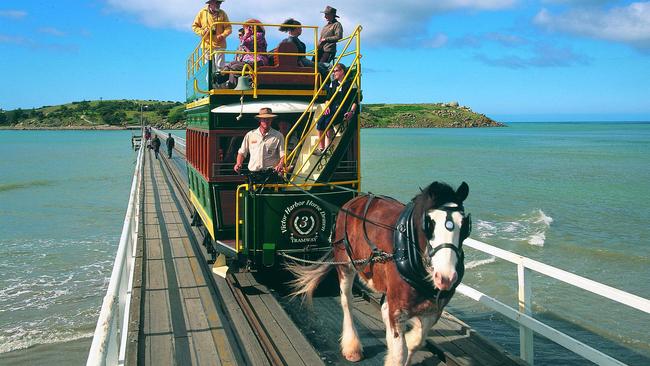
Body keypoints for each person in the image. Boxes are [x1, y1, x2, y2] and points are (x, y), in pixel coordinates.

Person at [315, 63, 358, 153]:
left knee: (328, 122)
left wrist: (351, 112)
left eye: (336, 71)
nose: (334, 73)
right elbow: (328, 98)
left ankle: (327, 147)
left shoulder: (351, 84)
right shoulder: (333, 83)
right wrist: (327, 107)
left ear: (342, 71)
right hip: (332, 107)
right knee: (320, 122)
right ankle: (321, 147)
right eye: (333, 71)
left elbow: (355, 101)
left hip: (342, 109)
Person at [218, 19, 269, 87]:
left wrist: (247, 33)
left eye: (251, 27)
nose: (249, 28)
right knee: (231, 64)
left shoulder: (259, 35)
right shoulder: (251, 36)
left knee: (235, 68)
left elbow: (244, 43)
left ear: (256, 27)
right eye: (248, 27)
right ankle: (219, 77)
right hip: (250, 61)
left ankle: (232, 87)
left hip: (258, 61)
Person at [234, 107, 285, 173]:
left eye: (268, 119)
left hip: (272, 173)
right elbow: (242, 153)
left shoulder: (278, 135)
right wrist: (238, 164)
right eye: (264, 119)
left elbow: (283, 154)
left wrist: (280, 164)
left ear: (272, 120)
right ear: (259, 120)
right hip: (253, 173)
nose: (266, 121)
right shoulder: (250, 135)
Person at [192, 0, 232, 71]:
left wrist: (223, 35)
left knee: (220, 67)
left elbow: (228, 27)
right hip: (207, 45)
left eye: (220, 3)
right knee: (208, 67)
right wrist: (203, 32)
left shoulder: (223, 13)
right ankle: (209, 82)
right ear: (210, 3)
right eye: (217, 2)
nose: (219, 4)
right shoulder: (202, 13)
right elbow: (195, 27)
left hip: (219, 44)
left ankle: (219, 81)